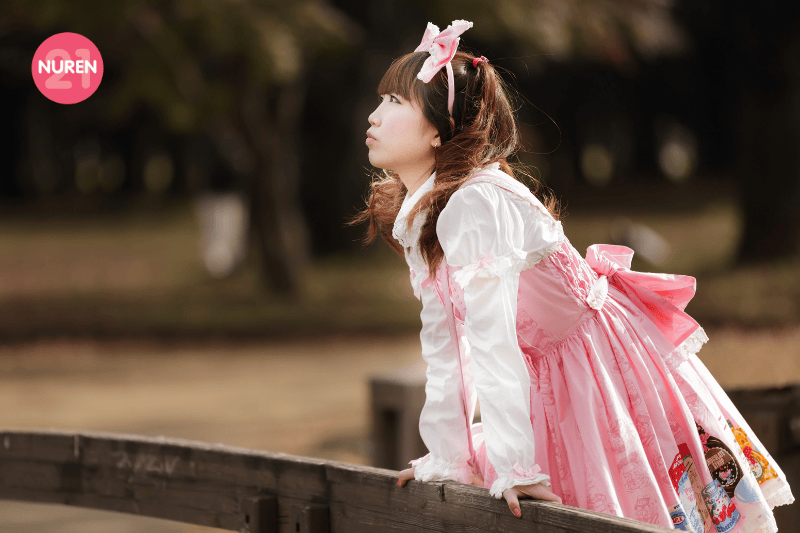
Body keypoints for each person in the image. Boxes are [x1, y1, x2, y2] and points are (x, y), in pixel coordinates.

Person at [351, 19, 794, 532]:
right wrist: (449, 457)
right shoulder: (429, 210)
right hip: (550, 378)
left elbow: (493, 343)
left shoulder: (476, 202)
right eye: (381, 101)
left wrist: (515, 464)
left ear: (437, 127)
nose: (373, 116)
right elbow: (448, 343)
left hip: (595, 368)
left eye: (393, 103)